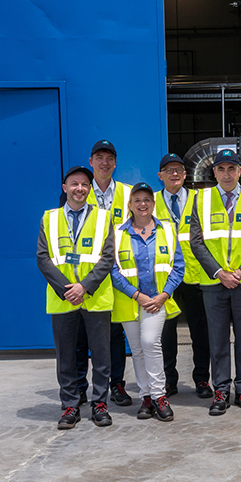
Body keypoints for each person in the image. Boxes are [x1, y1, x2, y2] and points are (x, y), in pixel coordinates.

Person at [190, 149, 241, 415]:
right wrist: (219, 272)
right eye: (221, 169)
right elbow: (196, 242)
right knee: (218, 339)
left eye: (231, 169)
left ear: (239, 172)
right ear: (214, 173)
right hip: (214, 283)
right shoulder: (201, 199)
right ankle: (221, 390)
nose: (226, 174)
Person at [37, 165, 115, 429]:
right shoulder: (49, 218)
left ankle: (100, 404)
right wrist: (67, 289)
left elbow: (107, 258)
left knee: (102, 356)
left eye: (84, 184)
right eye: (74, 184)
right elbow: (43, 258)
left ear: (89, 189)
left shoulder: (104, 218)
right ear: (65, 188)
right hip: (62, 300)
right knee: (66, 356)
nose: (79, 188)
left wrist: (84, 286)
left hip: (95, 297)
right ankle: (70, 405)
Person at [110, 183, 184, 422]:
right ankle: (146, 397)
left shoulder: (168, 230)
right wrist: (135, 294)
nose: (142, 204)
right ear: (130, 205)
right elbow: (113, 270)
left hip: (157, 301)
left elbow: (177, 267)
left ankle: (160, 396)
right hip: (129, 301)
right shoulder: (117, 233)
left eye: (147, 200)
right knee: (138, 349)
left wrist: (164, 294)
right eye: (137, 200)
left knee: (151, 342)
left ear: (153, 204)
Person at [75, 140, 134, 408]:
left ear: (115, 162)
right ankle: (79, 387)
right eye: (100, 157)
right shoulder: (79, 192)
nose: (105, 162)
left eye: (110, 157)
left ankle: (116, 384)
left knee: (114, 333)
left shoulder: (128, 193)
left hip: (118, 273)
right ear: (91, 161)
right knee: (80, 334)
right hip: (87, 275)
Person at [154, 153, 213, 399]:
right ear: (160, 176)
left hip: (195, 273)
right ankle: (169, 380)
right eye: (169, 170)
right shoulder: (151, 201)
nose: (174, 174)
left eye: (178, 169)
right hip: (165, 277)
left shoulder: (199, 200)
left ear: (186, 174)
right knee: (165, 332)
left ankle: (201, 379)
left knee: (200, 331)